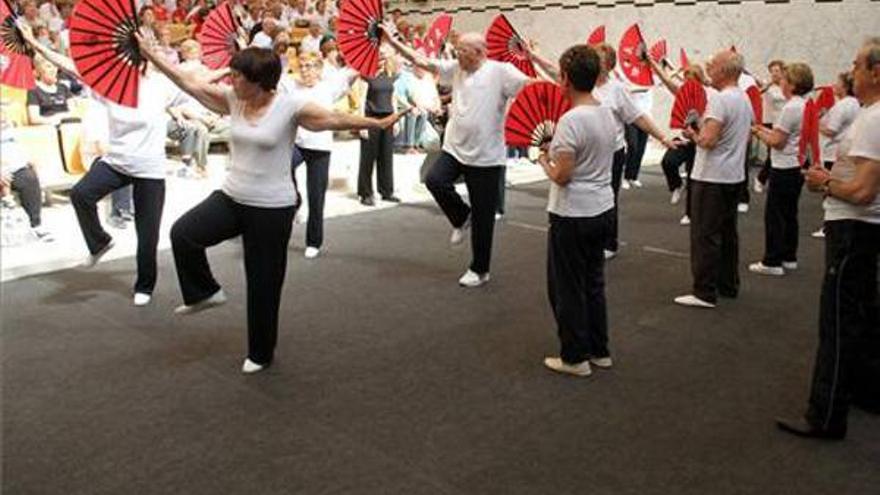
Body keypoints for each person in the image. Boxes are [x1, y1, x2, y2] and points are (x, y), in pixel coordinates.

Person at [138, 42, 404, 373]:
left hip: (272, 207)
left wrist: (376, 125)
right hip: (232, 197)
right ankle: (203, 291)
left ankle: (261, 352)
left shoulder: (291, 106)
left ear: (259, 79)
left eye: (237, 76)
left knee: (263, 282)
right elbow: (188, 83)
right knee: (184, 233)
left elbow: (333, 118)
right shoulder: (233, 99)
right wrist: (152, 53)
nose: (230, 80)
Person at [19, 20, 188, 307]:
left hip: (150, 168)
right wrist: (33, 43)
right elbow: (69, 64)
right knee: (81, 195)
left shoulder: (161, 85)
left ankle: (144, 284)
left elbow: (196, 83)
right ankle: (99, 242)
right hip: (117, 161)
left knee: (147, 234)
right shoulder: (110, 83)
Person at [776, 38, 880, 440]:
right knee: (862, 316)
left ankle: (826, 414)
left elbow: (862, 192)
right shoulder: (868, 114)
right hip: (859, 228)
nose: (850, 72)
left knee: (837, 321)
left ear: (874, 71)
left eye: (856, 65)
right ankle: (865, 392)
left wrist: (824, 182)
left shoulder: (872, 119)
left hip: (854, 228)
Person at [383, 27, 534, 287]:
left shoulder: (501, 72)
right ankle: (463, 217)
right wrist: (391, 41)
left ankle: (480, 269)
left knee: (484, 218)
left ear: (479, 53)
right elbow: (422, 61)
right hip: (455, 147)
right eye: (457, 50)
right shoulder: (456, 68)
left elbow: (532, 88)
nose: (457, 54)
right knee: (434, 180)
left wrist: (538, 63)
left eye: (462, 51)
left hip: (486, 155)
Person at [529, 42, 675, 259]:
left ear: (608, 65)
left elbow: (638, 117)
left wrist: (662, 136)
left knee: (607, 195)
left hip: (610, 150)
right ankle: (587, 232)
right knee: (580, 190)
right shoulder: (581, 85)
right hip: (580, 144)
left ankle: (609, 242)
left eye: (597, 58)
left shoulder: (616, 90)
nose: (592, 61)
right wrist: (533, 56)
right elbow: (554, 70)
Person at [537, 45, 617, 377]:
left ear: (565, 77)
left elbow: (562, 175)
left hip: (573, 214)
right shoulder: (605, 113)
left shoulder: (571, 121)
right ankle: (600, 350)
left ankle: (574, 357)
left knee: (566, 286)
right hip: (603, 208)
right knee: (593, 282)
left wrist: (543, 158)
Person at [674, 50, 752, 309]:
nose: (709, 67)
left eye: (713, 64)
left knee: (705, 234)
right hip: (733, 176)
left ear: (726, 71)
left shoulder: (720, 100)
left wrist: (692, 132)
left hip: (712, 177)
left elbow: (708, 141)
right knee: (728, 233)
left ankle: (704, 291)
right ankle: (728, 284)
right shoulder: (743, 98)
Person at [282, 52, 357, 259]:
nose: (305, 70)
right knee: (282, 167)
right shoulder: (290, 84)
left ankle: (313, 241)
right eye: (303, 66)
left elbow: (353, 71)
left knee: (316, 195)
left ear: (319, 69)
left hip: (320, 145)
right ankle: (295, 200)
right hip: (296, 142)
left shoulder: (329, 85)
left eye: (310, 66)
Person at [749, 63, 814, 276]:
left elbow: (777, 141)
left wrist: (757, 132)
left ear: (793, 84)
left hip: (784, 166)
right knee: (789, 213)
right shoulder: (805, 104)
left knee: (775, 215)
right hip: (796, 166)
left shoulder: (791, 107)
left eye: (784, 79)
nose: (780, 82)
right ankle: (788, 256)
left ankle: (772, 261)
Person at [649, 57, 709, 226]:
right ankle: (676, 184)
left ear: (699, 79)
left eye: (692, 79)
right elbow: (666, 80)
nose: (689, 82)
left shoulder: (708, 94)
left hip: (698, 141)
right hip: (683, 139)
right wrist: (651, 62)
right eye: (687, 78)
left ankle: (690, 214)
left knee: (693, 177)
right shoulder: (682, 91)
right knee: (668, 162)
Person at [812, 71, 861, 238]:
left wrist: (815, 122)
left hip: (834, 153)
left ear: (845, 86)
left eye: (838, 83)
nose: (834, 85)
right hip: (844, 152)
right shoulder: (855, 103)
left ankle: (829, 227)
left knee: (831, 190)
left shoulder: (843, 105)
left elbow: (831, 130)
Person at [356, 50, 403, 206]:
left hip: (388, 118)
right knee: (368, 157)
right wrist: (362, 123)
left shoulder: (390, 77)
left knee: (386, 156)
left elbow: (393, 99)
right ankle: (365, 193)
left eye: (383, 58)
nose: (381, 60)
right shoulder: (366, 77)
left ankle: (386, 191)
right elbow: (361, 100)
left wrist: (396, 120)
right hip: (371, 118)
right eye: (379, 58)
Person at [0, 118, 54, 242]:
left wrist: (27, 160)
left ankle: (36, 225)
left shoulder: (8, 133)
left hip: (9, 170)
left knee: (28, 177)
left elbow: (16, 151)